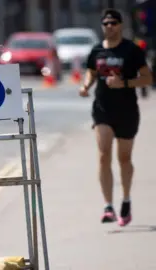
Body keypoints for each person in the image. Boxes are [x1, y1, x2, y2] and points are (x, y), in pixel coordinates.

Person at [79, 9, 152, 227]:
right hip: (102, 109)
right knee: (103, 155)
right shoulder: (97, 50)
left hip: (127, 110)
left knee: (124, 159)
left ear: (120, 25)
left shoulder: (131, 50)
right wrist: (85, 86)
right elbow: (92, 71)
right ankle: (108, 206)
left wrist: (125, 84)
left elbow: (147, 78)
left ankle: (126, 200)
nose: (109, 26)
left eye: (113, 23)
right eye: (106, 23)